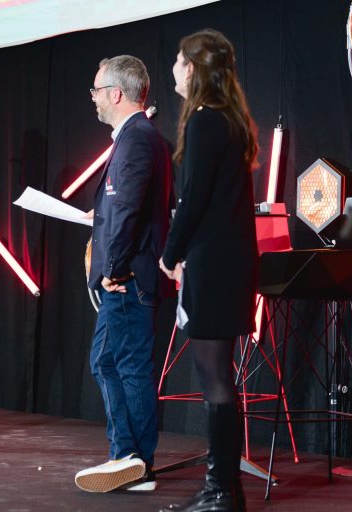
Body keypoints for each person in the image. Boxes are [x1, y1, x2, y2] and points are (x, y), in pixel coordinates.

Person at [158, 29, 258, 512]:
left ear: (192, 69)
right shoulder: (231, 121)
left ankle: (222, 490)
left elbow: (194, 198)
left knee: (215, 376)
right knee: (221, 377)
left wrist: (170, 252)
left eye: (179, 61)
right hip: (232, 262)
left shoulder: (204, 122)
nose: (173, 68)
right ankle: (225, 487)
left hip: (213, 263)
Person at [74, 56, 172, 493]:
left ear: (115, 93)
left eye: (96, 90)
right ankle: (128, 456)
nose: (93, 98)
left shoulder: (136, 139)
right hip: (127, 274)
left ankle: (137, 462)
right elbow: (125, 204)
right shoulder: (136, 138)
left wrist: (111, 268)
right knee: (107, 362)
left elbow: (131, 208)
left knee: (128, 365)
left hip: (128, 277)